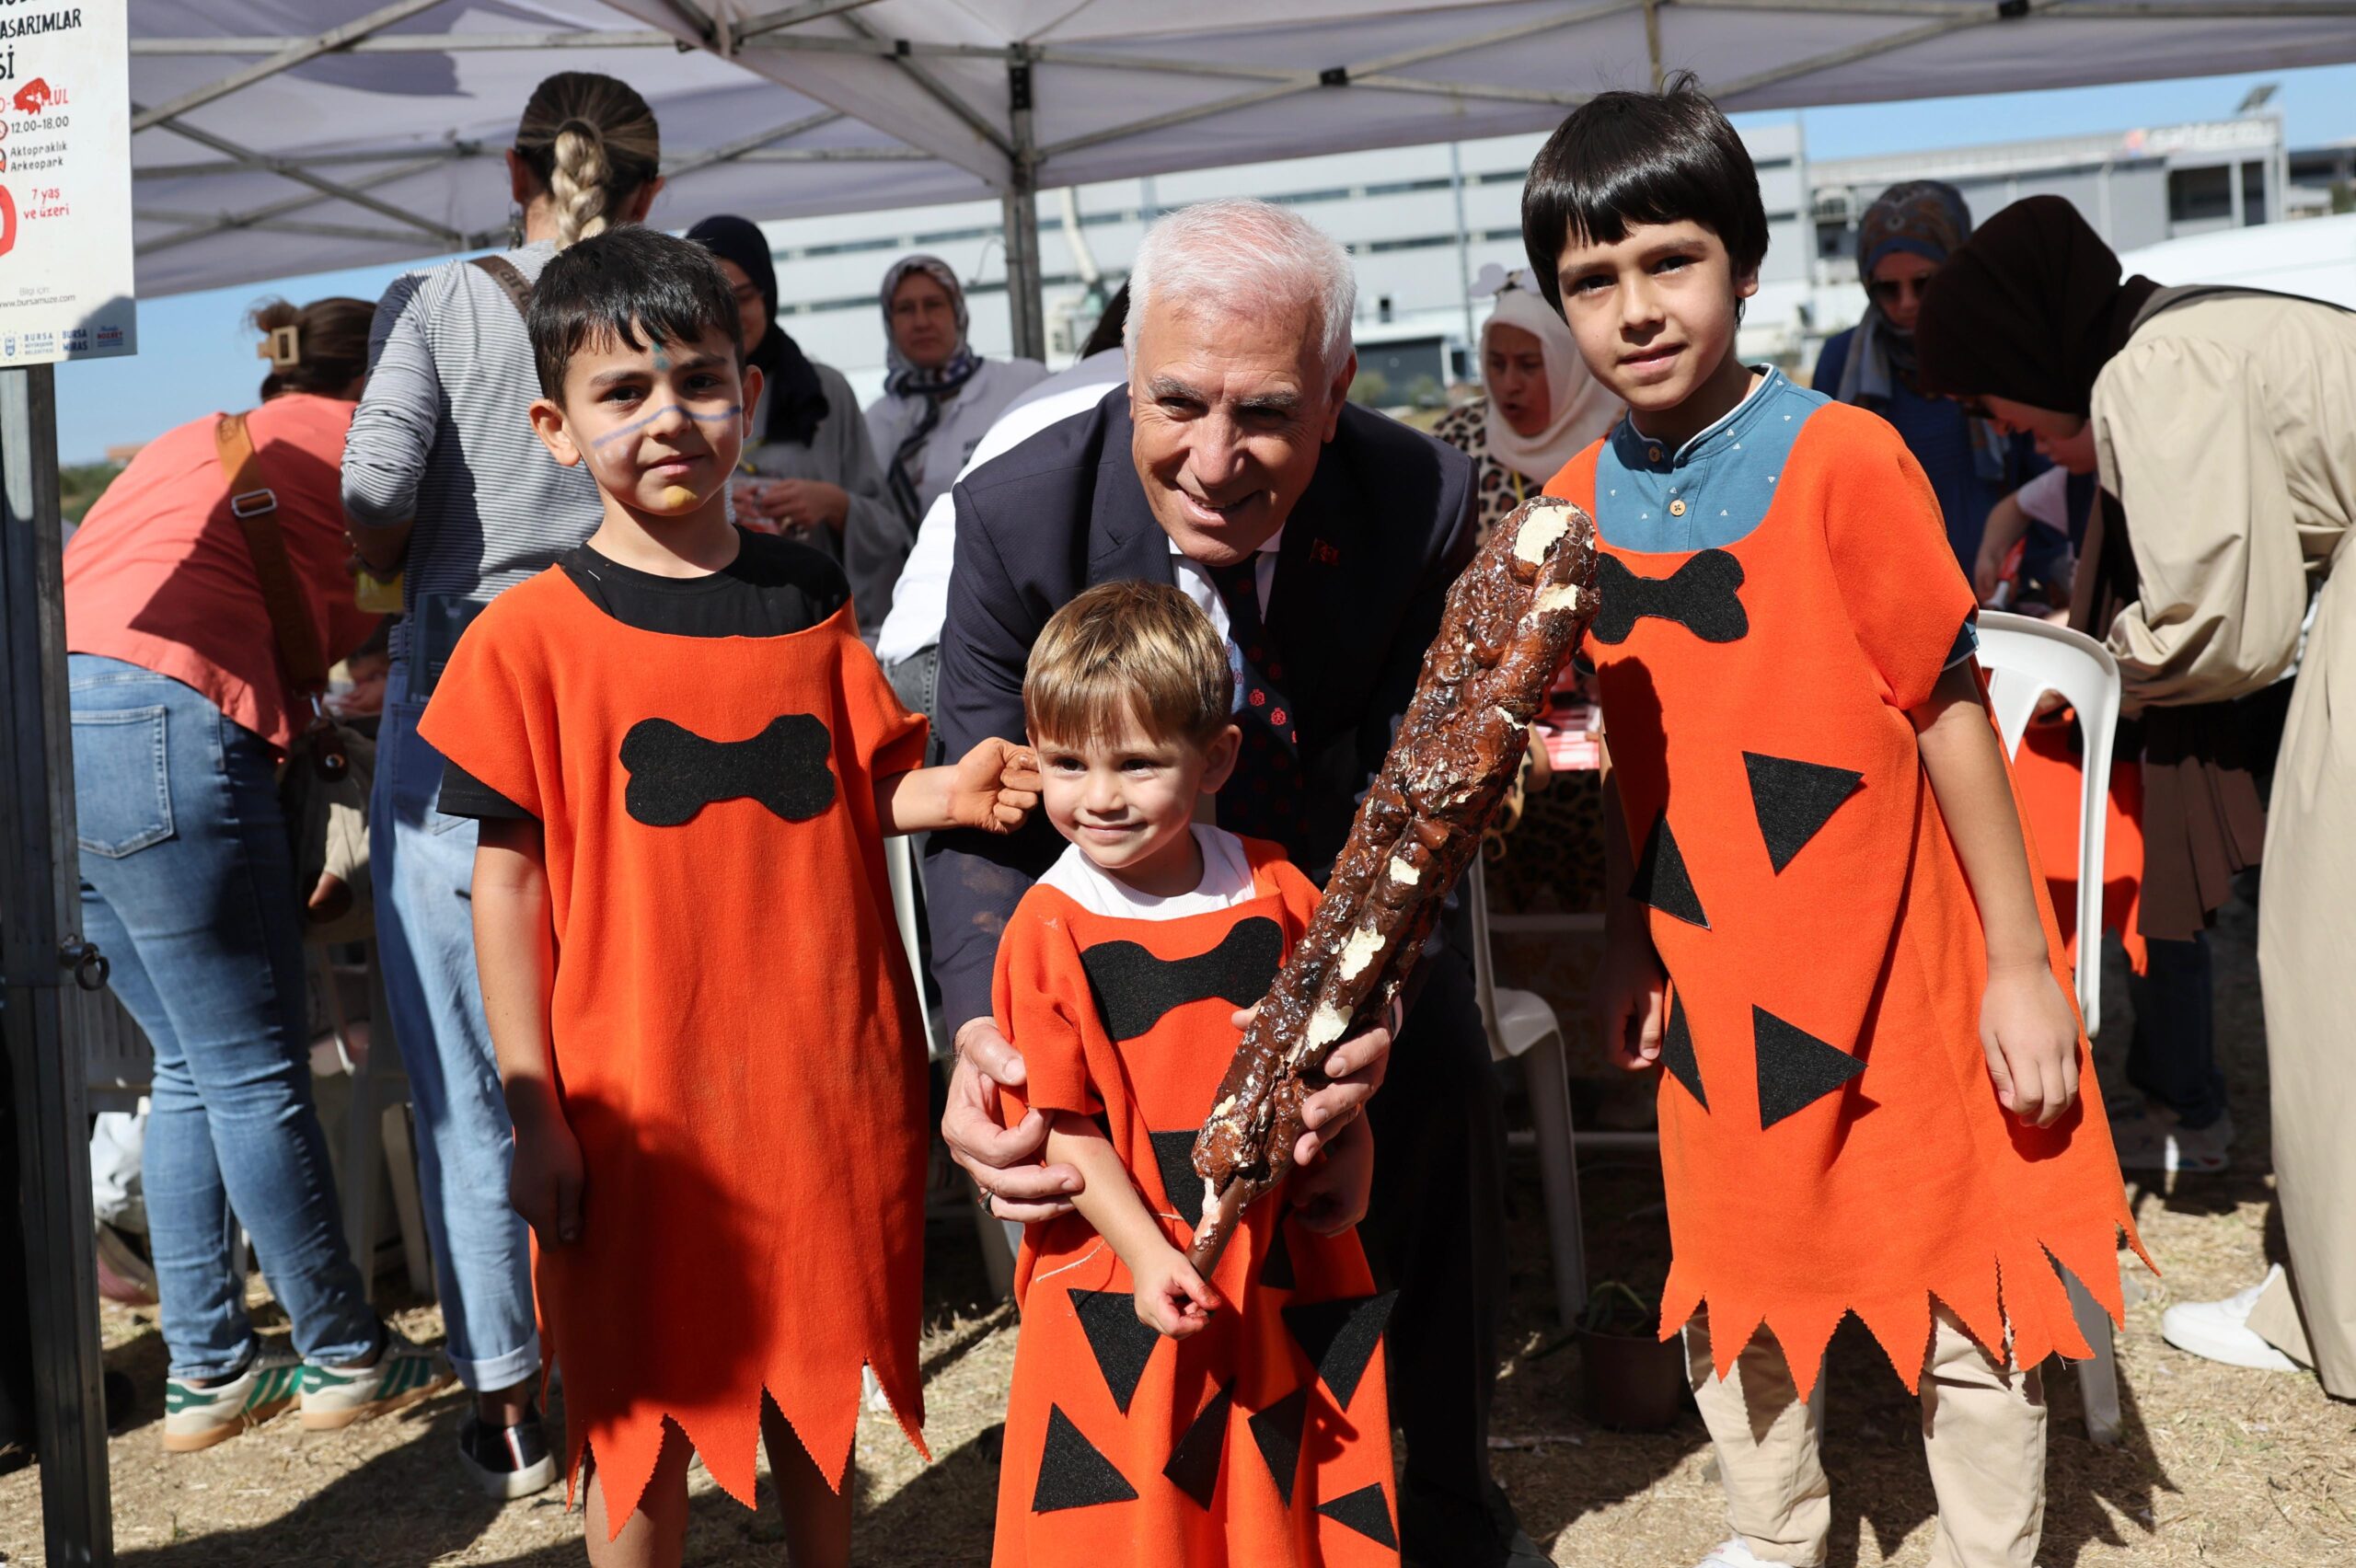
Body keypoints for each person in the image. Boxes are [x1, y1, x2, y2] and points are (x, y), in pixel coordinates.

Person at [1524, 83, 2143, 1568]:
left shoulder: (1845, 459)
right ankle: (1772, 1521)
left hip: (1903, 953)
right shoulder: (1567, 510)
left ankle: (1990, 1541)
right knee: (1736, 1250)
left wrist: (2017, 960)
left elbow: (1949, 712)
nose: (1637, 309)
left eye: (1669, 261)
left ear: (1741, 263)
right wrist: (1624, 936)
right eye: (1593, 282)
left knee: (1958, 1251)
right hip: (1717, 956)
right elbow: (1630, 762)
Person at [930, 197, 1545, 1568]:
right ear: (1127, 366)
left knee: (1436, 1074)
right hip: (1104, 948)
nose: (1214, 460)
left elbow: (1416, 810)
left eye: (1264, 413)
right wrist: (981, 1037)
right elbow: (978, 813)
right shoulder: (1017, 519)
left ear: (1337, 395)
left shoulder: (1421, 503)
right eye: (1177, 402)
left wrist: (1356, 1029)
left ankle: (1438, 1501)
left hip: (1317, 912)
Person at [418, 226, 1038, 1567]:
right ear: (554, 426)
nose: (670, 418)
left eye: (701, 381)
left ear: (747, 398)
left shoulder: (807, 593)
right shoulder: (524, 640)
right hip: (634, 1100)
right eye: (622, 392)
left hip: (817, 1076)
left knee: (818, 1384)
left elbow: (847, 780)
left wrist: (951, 789)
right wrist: (533, 1107)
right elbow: (504, 888)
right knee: (638, 1416)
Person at [1917, 195, 2356, 1398]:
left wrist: (2090, 664)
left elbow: (2226, 621)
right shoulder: (2183, 333)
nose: (1995, 426)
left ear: (2020, 356)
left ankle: (2336, 1315)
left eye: (1984, 397)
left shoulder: (2149, 370)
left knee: (2327, 961)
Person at [341, 68, 662, 1496]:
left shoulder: (442, 297)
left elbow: (367, 482)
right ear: (642, 188)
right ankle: (642, 1359)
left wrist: (403, 553)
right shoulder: (662, 288)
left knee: (478, 1074)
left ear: (516, 166)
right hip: (629, 677)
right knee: (621, 1044)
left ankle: (514, 1408)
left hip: (465, 691)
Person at [64, 296, 450, 1452]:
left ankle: (208, 1370)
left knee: (188, 1067)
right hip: (170, 721)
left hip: (53, 737)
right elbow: (419, 624)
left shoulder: (203, 436)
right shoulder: (366, 450)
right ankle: (342, 1350)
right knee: (253, 1069)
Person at [988, 581, 1393, 1565]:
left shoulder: (1280, 888)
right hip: (1121, 1265)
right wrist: (1146, 1256)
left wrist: (1354, 1155)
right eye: (1067, 764)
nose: (1099, 796)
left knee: (1281, 1495)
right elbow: (1062, 1123)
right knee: (1133, 1507)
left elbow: (1332, 1063)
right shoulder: (1044, 926)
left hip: (1280, 1263)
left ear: (1213, 759)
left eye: (1135, 762)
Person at [1430, 267, 1623, 917]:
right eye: (1496, 363)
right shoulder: (1458, 446)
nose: (1508, 384)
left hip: (1608, 724)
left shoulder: (1620, 443)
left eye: (1530, 365)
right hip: (1503, 737)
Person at [876, 285, 1130, 727]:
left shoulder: (1039, 384)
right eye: (905, 309)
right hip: (974, 655)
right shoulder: (1132, 390)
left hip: (911, 646)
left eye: (933, 304)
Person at [1810, 181, 2041, 571]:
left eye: (1924, 282)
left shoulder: (2003, 347)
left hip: (2007, 595)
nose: (1907, 303)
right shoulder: (1840, 362)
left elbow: (2047, 478)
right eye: (1887, 288)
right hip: (1895, 596)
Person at [684, 215, 895, 564]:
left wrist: (834, 504)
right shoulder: (671, 398)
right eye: (716, 303)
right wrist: (713, 506)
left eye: (745, 297)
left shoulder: (824, 392)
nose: (733, 318)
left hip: (814, 603)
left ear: (768, 294)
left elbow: (888, 530)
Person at [861, 256, 1047, 631]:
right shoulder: (875, 421)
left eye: (934, 305)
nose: (921, 321)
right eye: (904, 309)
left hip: (1007, 604)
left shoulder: (1020, 385)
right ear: (888, 321)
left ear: (959, 311)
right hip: (913, 616)